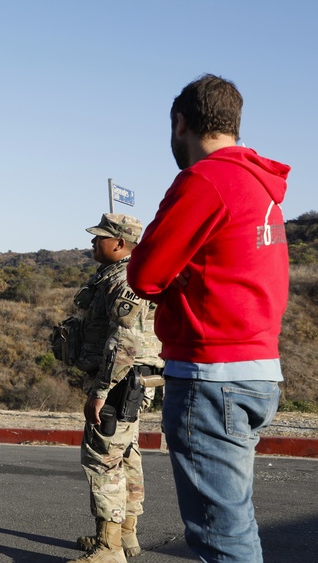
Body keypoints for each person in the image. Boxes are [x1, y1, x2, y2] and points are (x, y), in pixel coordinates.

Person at [127, 74, 290, 563]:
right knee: (234, 522)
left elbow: (144, 272)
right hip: (258, 370)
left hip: (210, 376)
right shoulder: (260, 187)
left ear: (181, 123)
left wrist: (175, 277)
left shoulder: (205, 180)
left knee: (220, 535)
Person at [59, 214, 162, 563]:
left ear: (119, 243)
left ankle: (108, 548)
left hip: (120, 383)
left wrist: (102, 389)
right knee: (126, 455)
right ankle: (126, 534)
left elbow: (126, 339)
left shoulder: (124, 279)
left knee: (103, 461)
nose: (93, 243)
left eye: (99, 237)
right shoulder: (126, 275)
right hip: (131, 380)